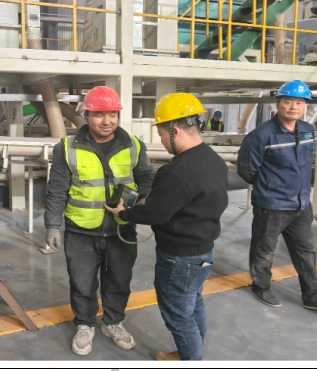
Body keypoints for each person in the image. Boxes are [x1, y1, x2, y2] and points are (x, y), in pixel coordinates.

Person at [105, 93, 229, 361]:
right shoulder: (213, 160)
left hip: (179, 257)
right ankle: (188, 354)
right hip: (203, 251)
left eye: (161, 133)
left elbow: (156, 214)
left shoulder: (175, 171)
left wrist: (124, 213)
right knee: (193, 303)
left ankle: (190, 361)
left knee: (178, 316)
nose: (161, 140)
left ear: (175, 131)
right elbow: (191, 200)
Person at [44, 86, 156, 356]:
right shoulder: (66, 148)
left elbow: (147, 178)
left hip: (122, 228)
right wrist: (52, 225)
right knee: (81, 282)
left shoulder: (134, 145)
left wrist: (142, 201)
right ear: (86, 116)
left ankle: (113, 322)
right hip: (81, 230)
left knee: (119, 279)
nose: (107, 121)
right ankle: (85, 324)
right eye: (99, 115)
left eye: (112, 114)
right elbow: (57, 189)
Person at [237, 80, 317, 312]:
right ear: (277, 104)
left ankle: (313, 296)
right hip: (272, 205)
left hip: (301, 204)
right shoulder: (260, 135)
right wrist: (270, 186)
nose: (294, 107)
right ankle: (261, 286)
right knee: (264, 250)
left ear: (304, 106)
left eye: (299, 103)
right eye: (288, 102)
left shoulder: (307, 130)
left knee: (306, 252)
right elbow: (247, 170)